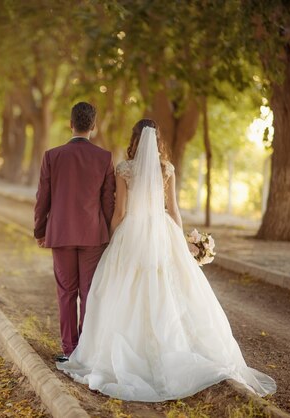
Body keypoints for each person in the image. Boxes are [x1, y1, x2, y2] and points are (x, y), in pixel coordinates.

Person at [56, 119, 277, 401]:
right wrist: (183, 242)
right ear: (157, 140)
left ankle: (120, 353)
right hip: (162, 233)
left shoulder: (124, 169)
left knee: (122, 291)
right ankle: (172, 347)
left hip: (132, 233)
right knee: (170, 290)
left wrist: (112, 239)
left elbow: (121, 212)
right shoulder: (166, 170)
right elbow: (173, 210)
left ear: (134, 140)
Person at [34, 102, 116, 361]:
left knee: (66, 293)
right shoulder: (104, 158)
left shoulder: (52, 156)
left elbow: (42, 198)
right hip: (93, 235)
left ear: (70, 124)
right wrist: (110, 234)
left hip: (60, 233)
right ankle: (87, 351)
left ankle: (69, 350)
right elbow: (108, 202)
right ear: (94, 126)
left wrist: (40, 230)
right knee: (89, 292)